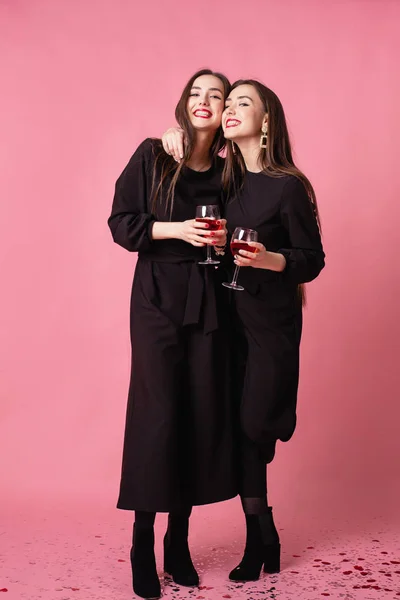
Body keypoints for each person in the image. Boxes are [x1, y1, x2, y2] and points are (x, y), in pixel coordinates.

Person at [162, 79, 325, 582]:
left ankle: (261, 537)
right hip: (225, 325)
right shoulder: (226, 182)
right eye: (226, 103)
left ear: (267, 120)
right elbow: (185, 165)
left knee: (256, 426)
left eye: (241, 103)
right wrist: (174, 135)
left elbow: (312, 260)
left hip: (270, 330)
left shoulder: (288, 185)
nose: (229, 109)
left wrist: (268, 258)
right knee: (235, 432)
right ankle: (263, 539)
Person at [108, 69, 237, 600]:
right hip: (158, 296)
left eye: (217, 95)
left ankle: (177, 542)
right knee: (157, 415)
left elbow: (244, 231)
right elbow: (122, 223)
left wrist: (227, 238)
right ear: (185, 103)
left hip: (211, 299)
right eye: (197, 93)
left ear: (228, 111)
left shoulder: (233, 174)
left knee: (198, 411)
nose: (205, 101)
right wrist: (175, 229)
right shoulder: (154, 154)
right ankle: (142, 541)